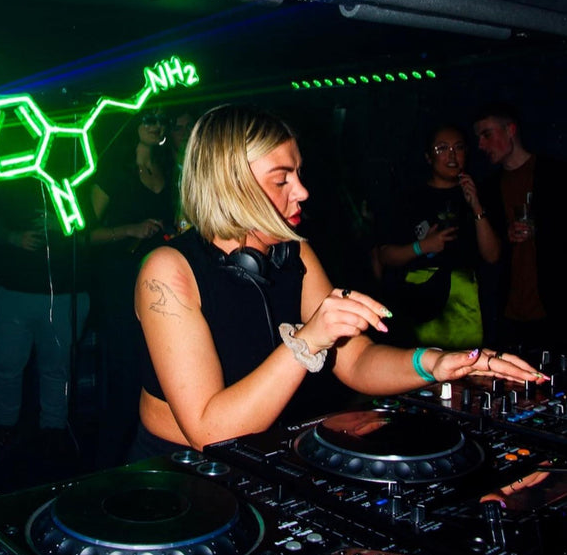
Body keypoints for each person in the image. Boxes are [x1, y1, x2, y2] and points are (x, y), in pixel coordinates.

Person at [129, 105, 540, 458]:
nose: (303, 191)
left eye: (299, 174)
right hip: (180, 473)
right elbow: (210, 433)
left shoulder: (295, 251)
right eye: (282, 179)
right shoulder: (169, 271)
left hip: (265, 452)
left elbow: (357, 361)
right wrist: (307, 341)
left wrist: (436, 362)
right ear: (230, 184)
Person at [89, 109, 177, 467]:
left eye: (161, 120)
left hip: (161, 284)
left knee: (157, 368)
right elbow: (84, 235)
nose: (157, 125)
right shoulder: (111, 172)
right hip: (120, 282)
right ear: (132, 126)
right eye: (148, 120)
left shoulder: (169, 167)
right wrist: (130, 229)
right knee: (125, 374)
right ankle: (111, 461)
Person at [0, 176, 91, 464]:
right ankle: (4, 430)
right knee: (6, 365)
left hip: (65, 293)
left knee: (57, 369)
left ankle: (53, 433)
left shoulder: (75, 173)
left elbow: (89, 234)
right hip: (14, 289)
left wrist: (64, 225)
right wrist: (13, 237)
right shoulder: (10, 174)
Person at [377, 123, 501, 348]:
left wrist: (476, 206)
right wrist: (422, 247)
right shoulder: (410, 198)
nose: (452, 155)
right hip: (419, 301)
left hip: (465, 307)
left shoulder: (479, 193)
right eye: (442, 148)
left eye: (459, 147)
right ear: (428, 157)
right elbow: (385, 256)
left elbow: (492, 256)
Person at [473, 102, 567, 354]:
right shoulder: (488, 188)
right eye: (478, 138)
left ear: (510, 130)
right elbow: (489, 255)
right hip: (508, 313)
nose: (481, 145)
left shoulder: (555, 174)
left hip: (554, 309)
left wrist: (542, 230)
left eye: (487, 134)